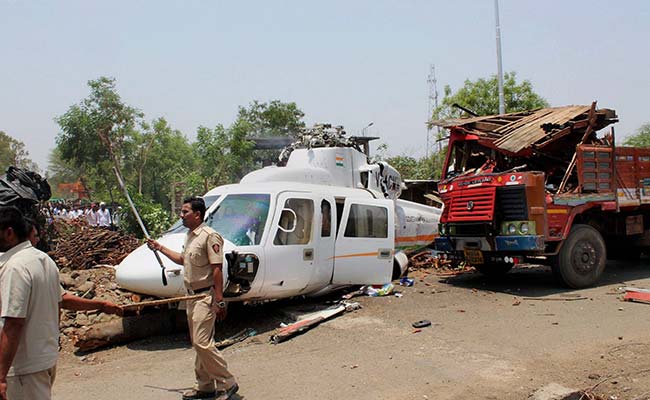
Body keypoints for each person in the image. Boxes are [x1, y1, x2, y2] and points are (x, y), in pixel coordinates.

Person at [0, 207, 122, 400]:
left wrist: (1, 376)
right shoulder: (43, 260)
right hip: (43, 359)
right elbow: (62, 299)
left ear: (9, 233)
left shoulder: (16, 267)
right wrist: (100, 304)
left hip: (24, 367)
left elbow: (14, 322)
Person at [147, 197, 238, 400]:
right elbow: (182, 260)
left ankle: (227, 382)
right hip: (191, 297)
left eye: (185, 212)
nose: (181, 215)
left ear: (197, 214)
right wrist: (159, 248)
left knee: (202, 343)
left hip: (205, 296)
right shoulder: (190, 236)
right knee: (198, 343)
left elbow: (217, 269)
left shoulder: (210, 236)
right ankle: (205, 386)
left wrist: (219, 299)